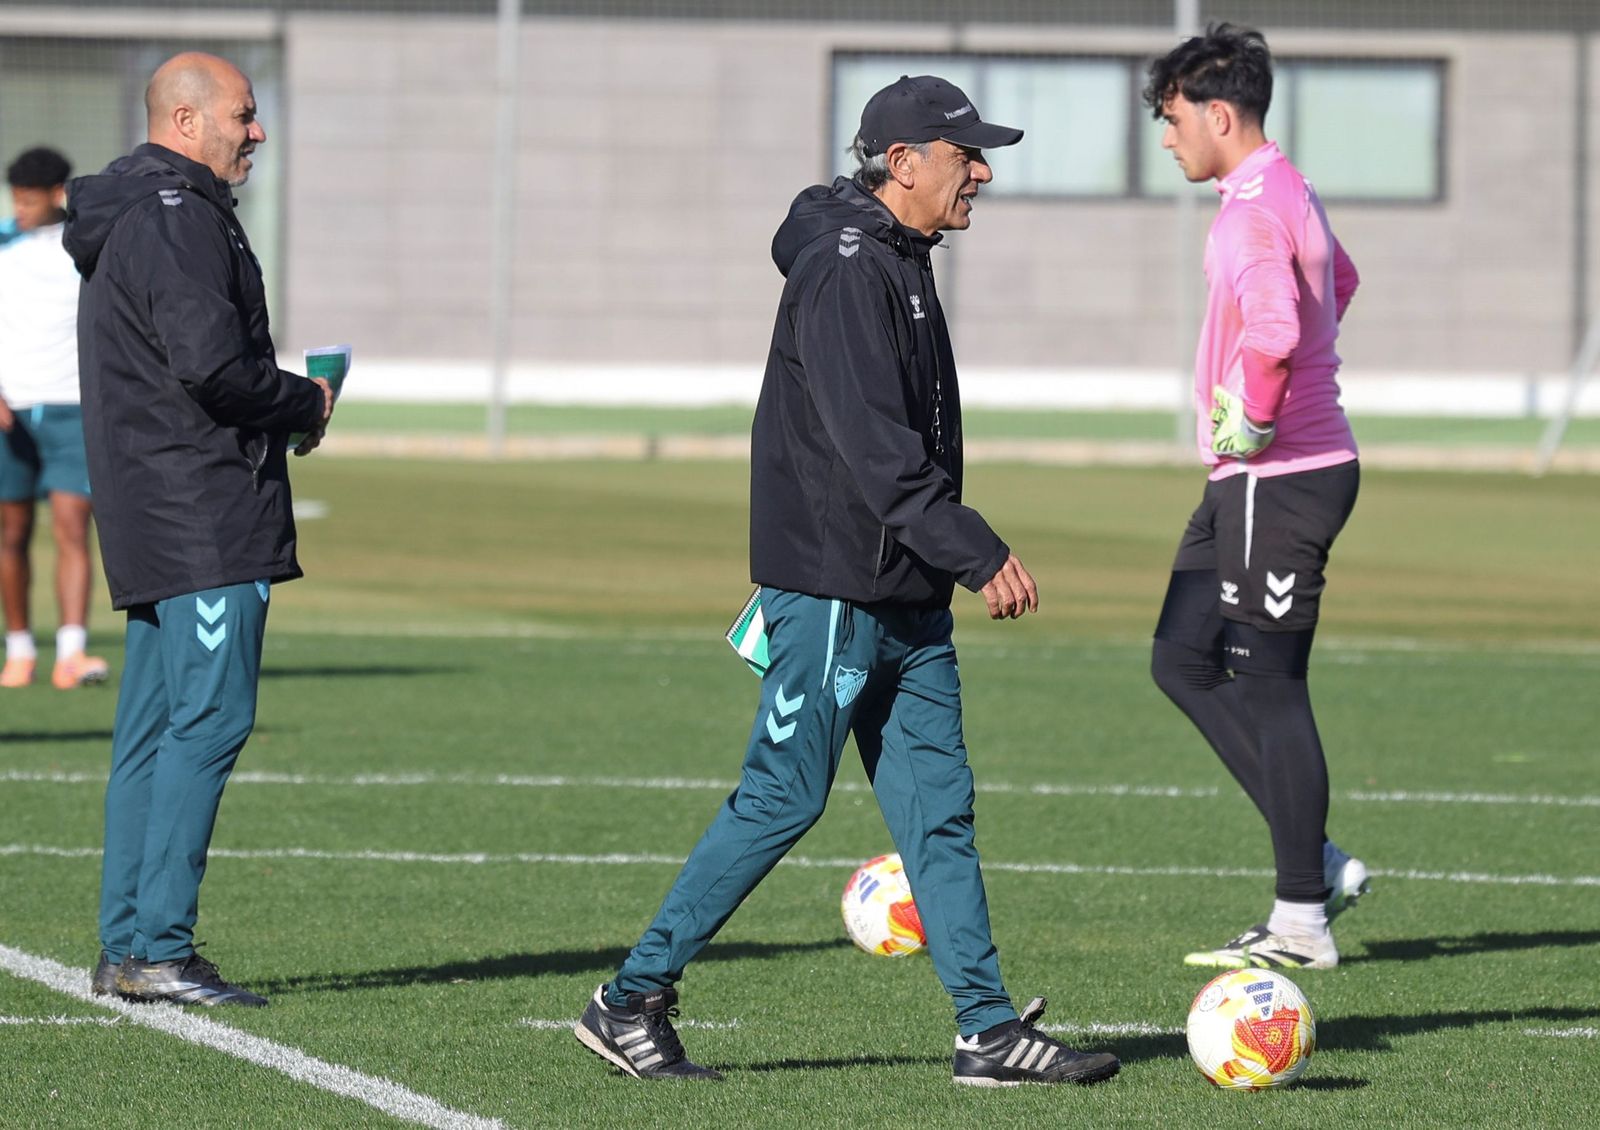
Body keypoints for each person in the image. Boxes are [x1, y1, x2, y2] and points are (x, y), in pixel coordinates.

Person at [573, 75, 1120, 1088]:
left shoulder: (899, 257)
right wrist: (975, 547)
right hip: (832, 586)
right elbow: (873, 450)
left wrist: (937, 556)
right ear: (904, 163)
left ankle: (987, 1029)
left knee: (938, 808)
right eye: (968, 157)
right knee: (782, 795)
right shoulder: (844, 266)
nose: (984, 174)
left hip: (901, 587)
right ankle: (630, 996)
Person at [63, 52, 333, 1007]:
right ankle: (156, 948)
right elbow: (213, 368)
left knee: (150, 733)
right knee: (206, 722)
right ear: (186, 123)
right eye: (244, 115)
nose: (256, 131)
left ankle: (127, 943)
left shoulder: (141, 213)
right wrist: (307, 399)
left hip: (155, 514)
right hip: (199, 515)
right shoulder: (176, 219)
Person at [1142, 25, 1368, 970]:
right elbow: (1341, 281)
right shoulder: (1283, 185)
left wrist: (1264, 414)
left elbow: (1275, 330)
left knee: (1270, 684)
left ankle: (1301, 921)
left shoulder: (1246, 212)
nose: (1167, 140)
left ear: (1218, 113)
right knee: (1180, 659)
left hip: (1278, 478)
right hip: (1247, 480)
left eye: (1172, 119)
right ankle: (1311, 856)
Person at [0, 147, 110, 690]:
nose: (19, 208)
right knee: (11, 532)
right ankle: (19, 649)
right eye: (14, 198)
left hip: (74, 407)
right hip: (10, 410)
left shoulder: (86, 244)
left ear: (57, 194)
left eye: (28, 199)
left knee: (72, 527)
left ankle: (72, 652)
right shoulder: (2, 242)